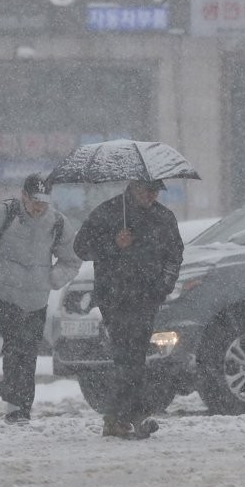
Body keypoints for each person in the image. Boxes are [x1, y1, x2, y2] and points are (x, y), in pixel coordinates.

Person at [0, 173, 81, 425]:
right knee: (16, 344)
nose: (39, 207)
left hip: (37, 297)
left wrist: (53, 279)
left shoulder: (57, 223)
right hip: (3, 294)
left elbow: (72, 259)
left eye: (44, 202)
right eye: (35, 201)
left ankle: (20, 407)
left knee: (28, 351)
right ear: (24, 196)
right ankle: (15, 404)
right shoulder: (3, 214)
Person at [74, 179, 184, 439]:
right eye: (147, 190)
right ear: (133, 188)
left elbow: (175, 255)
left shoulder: (163, 218)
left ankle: (122, 417)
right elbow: (81, 247)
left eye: (156, 191)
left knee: (133, 357)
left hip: (148, 297)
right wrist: (113, 244)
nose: (151, 196)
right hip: (115, 296)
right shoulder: (108, 212)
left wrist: (163, 286)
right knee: (128, 356)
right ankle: (131, 416)